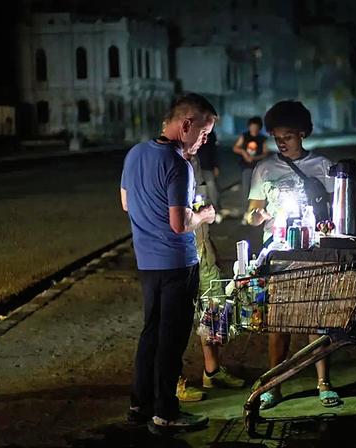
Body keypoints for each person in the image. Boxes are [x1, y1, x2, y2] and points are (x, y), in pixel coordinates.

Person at [120, 93, 217, 435]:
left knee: (150, 334)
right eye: (204, 133)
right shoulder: (178, 164)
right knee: (171, 341)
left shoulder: (135, 153)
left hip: (147, 262)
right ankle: (166, 413)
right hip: (177, 264)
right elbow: (179, 224)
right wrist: (203, 215)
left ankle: (139, 405)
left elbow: (127, 204)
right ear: (186, 125)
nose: (204, 141)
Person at [244, 100, 340, 410]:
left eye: (286, 135)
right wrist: (256, 218)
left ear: (302, 133)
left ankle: (323, 382)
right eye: (275, 136)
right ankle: (275, 383)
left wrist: (330, 224)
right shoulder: (265, 168)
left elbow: (337, 213)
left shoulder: (324, 167)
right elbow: (253, 213)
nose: (280, 142)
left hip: (315, 252)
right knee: (279, 320)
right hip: (278, 253)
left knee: (317, 318)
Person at [174, 129, 245, 404]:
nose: (207, 140)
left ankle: (212, 371)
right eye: (203, 133)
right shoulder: (168, 163)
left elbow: (203, 204)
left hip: (202, 248)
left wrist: (209, 242)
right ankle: (174, 381)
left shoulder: (196, 163)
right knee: (177, 319)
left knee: (213, 306)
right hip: (177, 255)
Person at [233, 116, 269, 206]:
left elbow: (265, 153)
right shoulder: (245, 136)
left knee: (259, 189)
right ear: (249, 126)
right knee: (246, 189)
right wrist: (243, 152)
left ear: (259, 128)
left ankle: (258, 209)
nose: (254, 129)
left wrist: (255, 158)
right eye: (252, 127)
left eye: (256, 127)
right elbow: (235, 148)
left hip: (259, 167)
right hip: (246, 167)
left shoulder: (262, 139)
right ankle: (245, 211)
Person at [196, 130, 224, 223]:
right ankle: (201, 214)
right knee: (200, 191)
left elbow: (214, 150)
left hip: (208, 166)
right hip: (196, 167)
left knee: (212, 188)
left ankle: (216, 211)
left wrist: (216, 165)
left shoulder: (211, 134)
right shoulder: (194, 131)